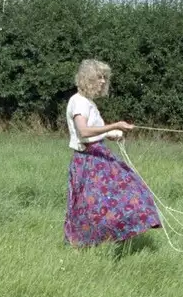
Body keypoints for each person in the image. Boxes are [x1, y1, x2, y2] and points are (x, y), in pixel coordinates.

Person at [63, 58, 161, 246]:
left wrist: (110, 133)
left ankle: (112, 239)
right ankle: (93, 242)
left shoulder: (87, 102)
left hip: (97, 156)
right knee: (98, 204)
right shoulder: (80, 103)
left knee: (123, 195)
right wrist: (115, 125)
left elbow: (93, 131)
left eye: (104, 78)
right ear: (88, 78)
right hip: (89, 160)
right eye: (99, 77)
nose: (102, 81)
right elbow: (83, 132)